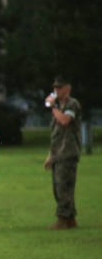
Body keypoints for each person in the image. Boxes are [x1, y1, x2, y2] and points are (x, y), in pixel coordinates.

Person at [43, 75, 82, 229]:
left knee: (63, 186)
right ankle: (70, 219)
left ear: (68, 88)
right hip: (58, 152)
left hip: (68, 151)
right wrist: (50, 156)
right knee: (59, 186)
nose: (56, 90)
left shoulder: (72, 104)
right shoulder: (59, 106)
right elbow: (56, 135)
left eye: (59, 87)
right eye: (55, 87)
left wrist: (52, 107)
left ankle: (64, 218)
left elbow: (65, 120)